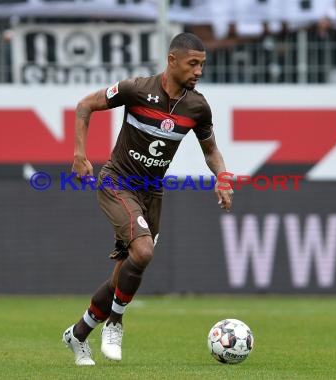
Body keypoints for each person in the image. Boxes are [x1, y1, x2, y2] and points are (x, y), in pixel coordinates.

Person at [62, 32, 234, 366]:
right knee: (143, 251)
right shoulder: (136, 90)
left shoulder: (197, 107)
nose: (199, 71)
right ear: (172, 60)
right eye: (192, 63)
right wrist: (80, 154)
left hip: (152, 193)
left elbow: (211, 150)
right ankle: (116, 322)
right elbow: (86, 105)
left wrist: (223, 177)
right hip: (118, 182)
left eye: (202, 64)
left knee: (123, 275)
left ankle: (78, 334)